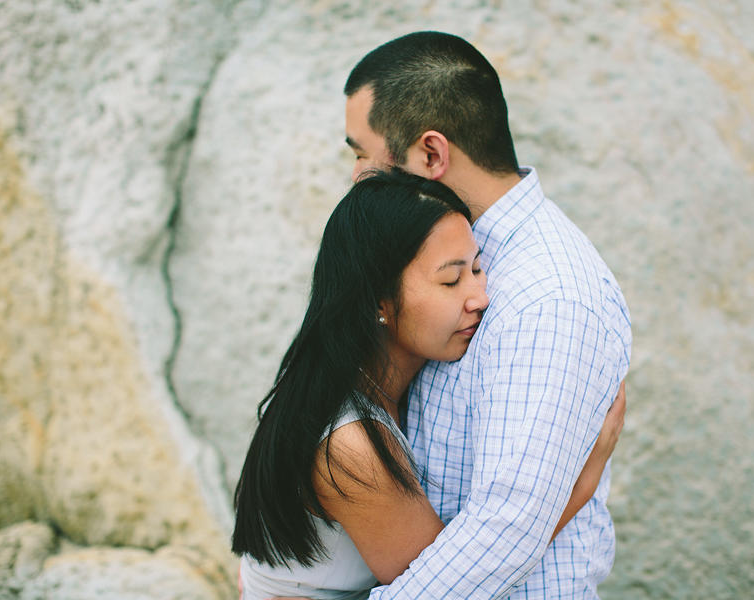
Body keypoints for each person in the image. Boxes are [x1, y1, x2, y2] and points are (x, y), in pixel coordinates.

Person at [232, 169, 624, 600]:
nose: (480, 297)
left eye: (477, 268)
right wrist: (582, 481)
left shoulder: (344, 377)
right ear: (379, 302)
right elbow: (452, 586)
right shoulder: (350, 446)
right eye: (451, 280)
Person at [343, 32, 632, 599]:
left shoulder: (549, 293)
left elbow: (507, 526)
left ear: (431, 154)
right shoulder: (445, 259)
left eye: (361, 154)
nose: (356, 178)